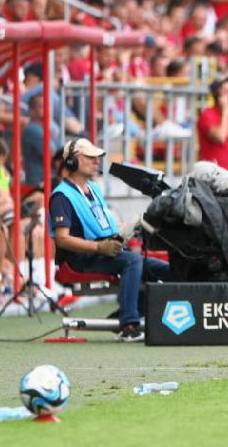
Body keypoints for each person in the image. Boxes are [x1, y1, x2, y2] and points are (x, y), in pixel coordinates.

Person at [49, 139, 169, 342]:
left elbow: (105, 225)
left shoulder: (94, 189)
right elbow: (62, 239)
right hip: (81, 257)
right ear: (71, 161)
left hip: (105, 251)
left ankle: (122, 316)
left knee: (166, 269)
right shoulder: (61, 195)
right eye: (90, 157)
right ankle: (128, 325)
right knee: (133, 261)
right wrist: (98, 247)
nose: (96, 161)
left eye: (97, 157)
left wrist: (130, 229)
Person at [197, 77, 228, 173]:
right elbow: (220, 137)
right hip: (212, 174)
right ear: (218, 94)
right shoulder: (207, 114)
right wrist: (226, 110)